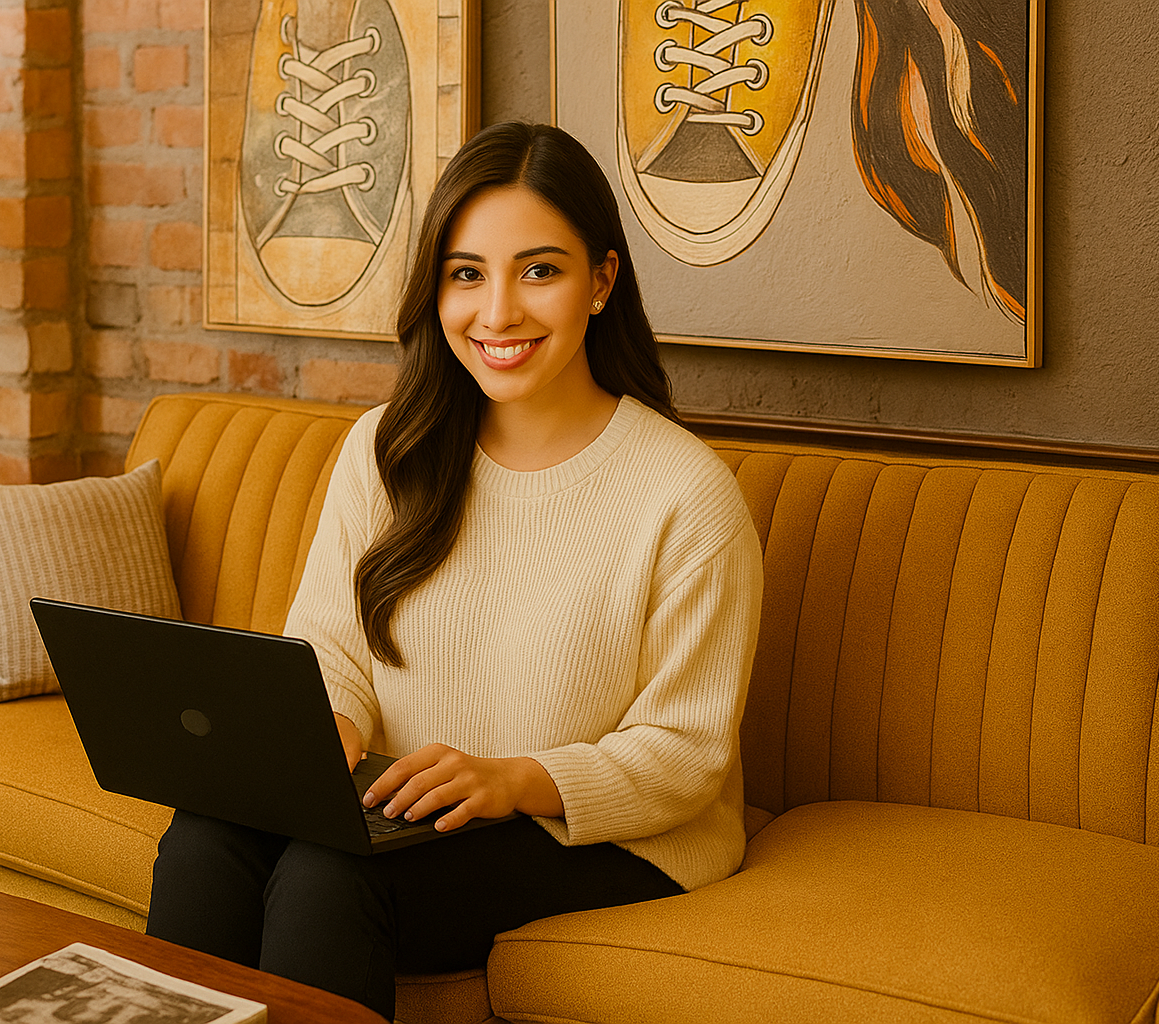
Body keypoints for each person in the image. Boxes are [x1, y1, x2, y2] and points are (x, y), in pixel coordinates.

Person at [145, 121, 764, 1021]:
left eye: (539, 271)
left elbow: (686, 753)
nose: (498, 313)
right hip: (408, 804)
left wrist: (512, 779)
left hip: (605, 832)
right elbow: (329, 644)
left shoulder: (684, 494)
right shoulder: (388, 448)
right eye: (466, 274)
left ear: (602, 281)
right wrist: (329, 729)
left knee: (326, 878)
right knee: (206, 837)